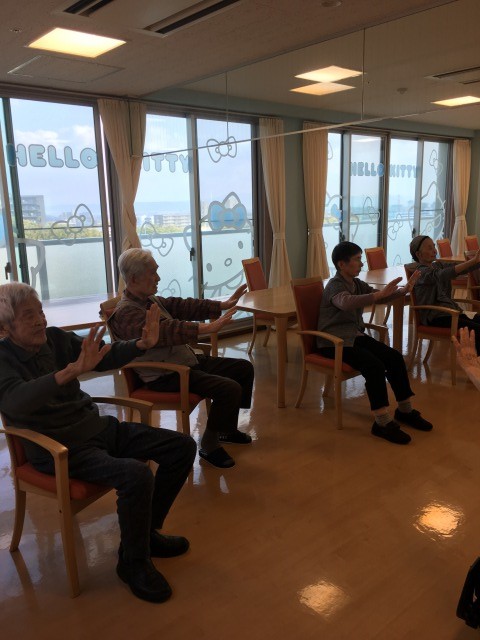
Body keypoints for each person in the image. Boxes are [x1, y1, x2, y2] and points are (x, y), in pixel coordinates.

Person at [0, 282, 197, 604]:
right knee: (136, 475)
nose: (40, 320)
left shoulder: (55, 339)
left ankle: (145, 535)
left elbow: (102, 356)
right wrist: (69, 372)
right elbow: (15, 401)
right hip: (60, 449)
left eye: (40, 312)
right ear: (7, 326)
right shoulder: (3, 358)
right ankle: (132, 562)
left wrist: (140, 344)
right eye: (28, 316)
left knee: (182, 447)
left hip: (96, 428)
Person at [109, 248, 255, 470]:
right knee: (229, 388)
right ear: (134, 278)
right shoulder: (125, 314)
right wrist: (207, 328)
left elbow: (181, 306)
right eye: (152, 273)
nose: (158, 278)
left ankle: (225, 429)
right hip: (164, 375)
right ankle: (209, 445)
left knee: (243, 369)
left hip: (183, 362)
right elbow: (166, 331)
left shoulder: (149, 300)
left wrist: (221, 305)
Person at [317, 241, 433, 445]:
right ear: (341, 264)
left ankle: (405, 410)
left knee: (394, 357)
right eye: (357, 260)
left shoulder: (356, 283)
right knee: (374, 366)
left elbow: (379, 298)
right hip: (333, 343)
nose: (361, 264)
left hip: (353, 337)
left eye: (361, 259)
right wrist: (377, 294)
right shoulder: (335, 285)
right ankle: (381, 422)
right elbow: (345, 302)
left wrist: (404, 290)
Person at [409, 235, 480, 351]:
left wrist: (476, 262)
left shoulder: (437, 265)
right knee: (476, 330)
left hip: (450, 313)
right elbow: (443, 274)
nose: (434, 251)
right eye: (429, 248)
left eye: (434, 247)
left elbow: (458, 268)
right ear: (419, 254)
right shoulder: (420, 272)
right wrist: (473, 261)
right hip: (436, 317)